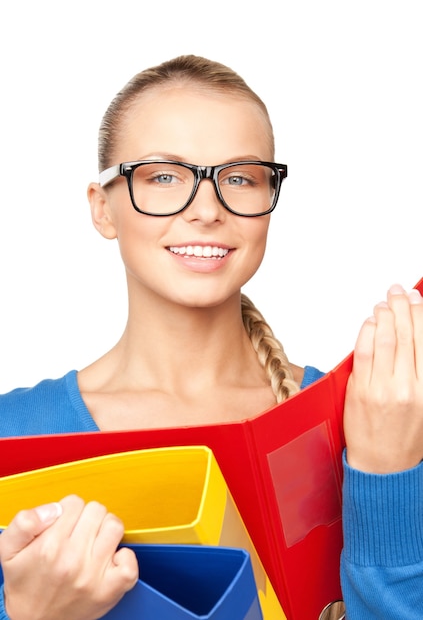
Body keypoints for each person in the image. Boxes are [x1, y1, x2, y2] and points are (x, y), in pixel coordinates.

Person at [0, 54, 422, 620]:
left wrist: (388, 477)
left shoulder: (372, 419)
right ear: (103, 209)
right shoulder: (13, 437)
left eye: (240, 178)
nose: (206, 210)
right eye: (164, 176)